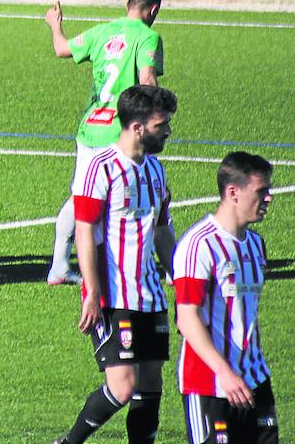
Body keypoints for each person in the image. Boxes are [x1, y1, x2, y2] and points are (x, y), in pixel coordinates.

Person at [52, 84, 177, 444]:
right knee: (123, 386)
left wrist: (182, 284)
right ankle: (68, 442)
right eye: (161, 124)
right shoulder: (100, 168)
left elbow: (162, 231)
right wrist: (91, 292)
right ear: (137, 127)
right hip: (112, 293)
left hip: (150, 295)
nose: (167, 131)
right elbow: (85, 233)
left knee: (151, 383)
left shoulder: (155, 170)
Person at [45, 0, 165, 285]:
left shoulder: (101, 32)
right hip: (121, 130)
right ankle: (148, 263)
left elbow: (61, 48)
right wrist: (158, 114)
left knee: (81, 195)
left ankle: (60, 265)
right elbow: (147, 79)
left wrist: (54, 24)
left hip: (90, 127)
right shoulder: (148, 36)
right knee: (138, 194)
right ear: (153, 9)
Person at [173, 152, 278, 444]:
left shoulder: (256, 245)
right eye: (261, 191)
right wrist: (225, 373)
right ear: (233, 192)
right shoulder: (199, 245)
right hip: (210, 384)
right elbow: (187, 317)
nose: (269, 198)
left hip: (255, 379)